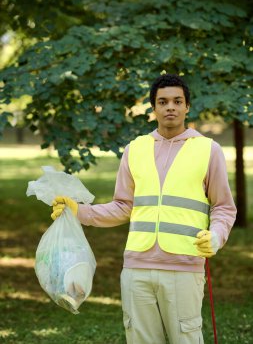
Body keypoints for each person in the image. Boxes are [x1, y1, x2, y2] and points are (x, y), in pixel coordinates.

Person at [51, 73, 236, 344]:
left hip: (184, 267)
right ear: (154, 108)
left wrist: (216, 237)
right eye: (163, 102)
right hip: (136, 268)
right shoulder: (135, 149)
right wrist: (79, 211)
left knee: (185, 339)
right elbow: (122, 206)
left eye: (177, 101)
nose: (170, 107)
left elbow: (223, 207)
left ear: (187, 107)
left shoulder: (209, 150)